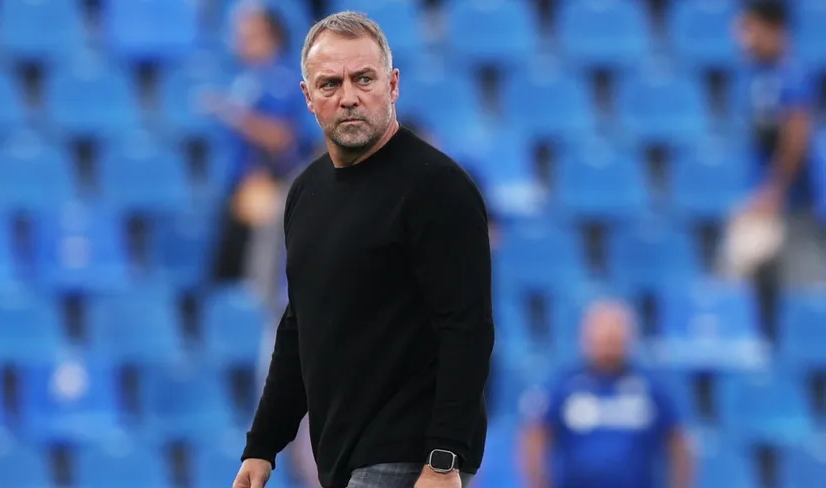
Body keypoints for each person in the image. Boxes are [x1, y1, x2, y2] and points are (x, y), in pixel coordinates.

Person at [232, 11, 494, 488]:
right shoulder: (305, 192)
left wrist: (443, 458)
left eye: (364, 79)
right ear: (308, 97)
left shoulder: (437, 187)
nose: (348, 96)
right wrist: (263, 445)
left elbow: (467, 329)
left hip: (410, 455)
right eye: (330, 84)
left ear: (393, 86)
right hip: (341, 454)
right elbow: (299, 326)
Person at [728, 0, 826, 334]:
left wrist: (773, 192)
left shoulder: (792, 75)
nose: (744, 38)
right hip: (764, 206)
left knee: (805, 297)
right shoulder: (753, 75)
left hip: (794, 210)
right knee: (748, 291)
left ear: (774, 29)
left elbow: (796, 136)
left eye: (750, 29)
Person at [519, 300, 692, 488]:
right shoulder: (563, 385)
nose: (609, 344)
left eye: (615, 337)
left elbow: (679, 441)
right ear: (585, 337)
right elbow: (534, 436)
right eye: (603, 337)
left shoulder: (651, 387)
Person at [206, 3, 315, 301]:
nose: (239, 40)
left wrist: (235, 116)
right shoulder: (241, 77)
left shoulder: (284, 81)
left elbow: (283, 138)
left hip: (265, 189)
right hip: (236, 190)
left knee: (256, 282)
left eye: (249, 34)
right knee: (226, 284)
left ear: (271, 36)